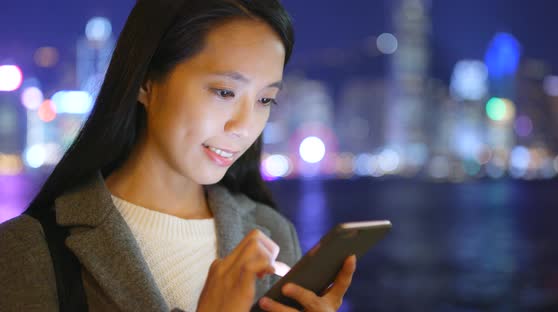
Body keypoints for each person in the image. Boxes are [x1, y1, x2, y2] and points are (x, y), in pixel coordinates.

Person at [0, 0, 357, 311]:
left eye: (265, 100)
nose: (244, 126)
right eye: (224, 92)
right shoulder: (28, 251)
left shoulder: (273, 233)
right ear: (145, 81)